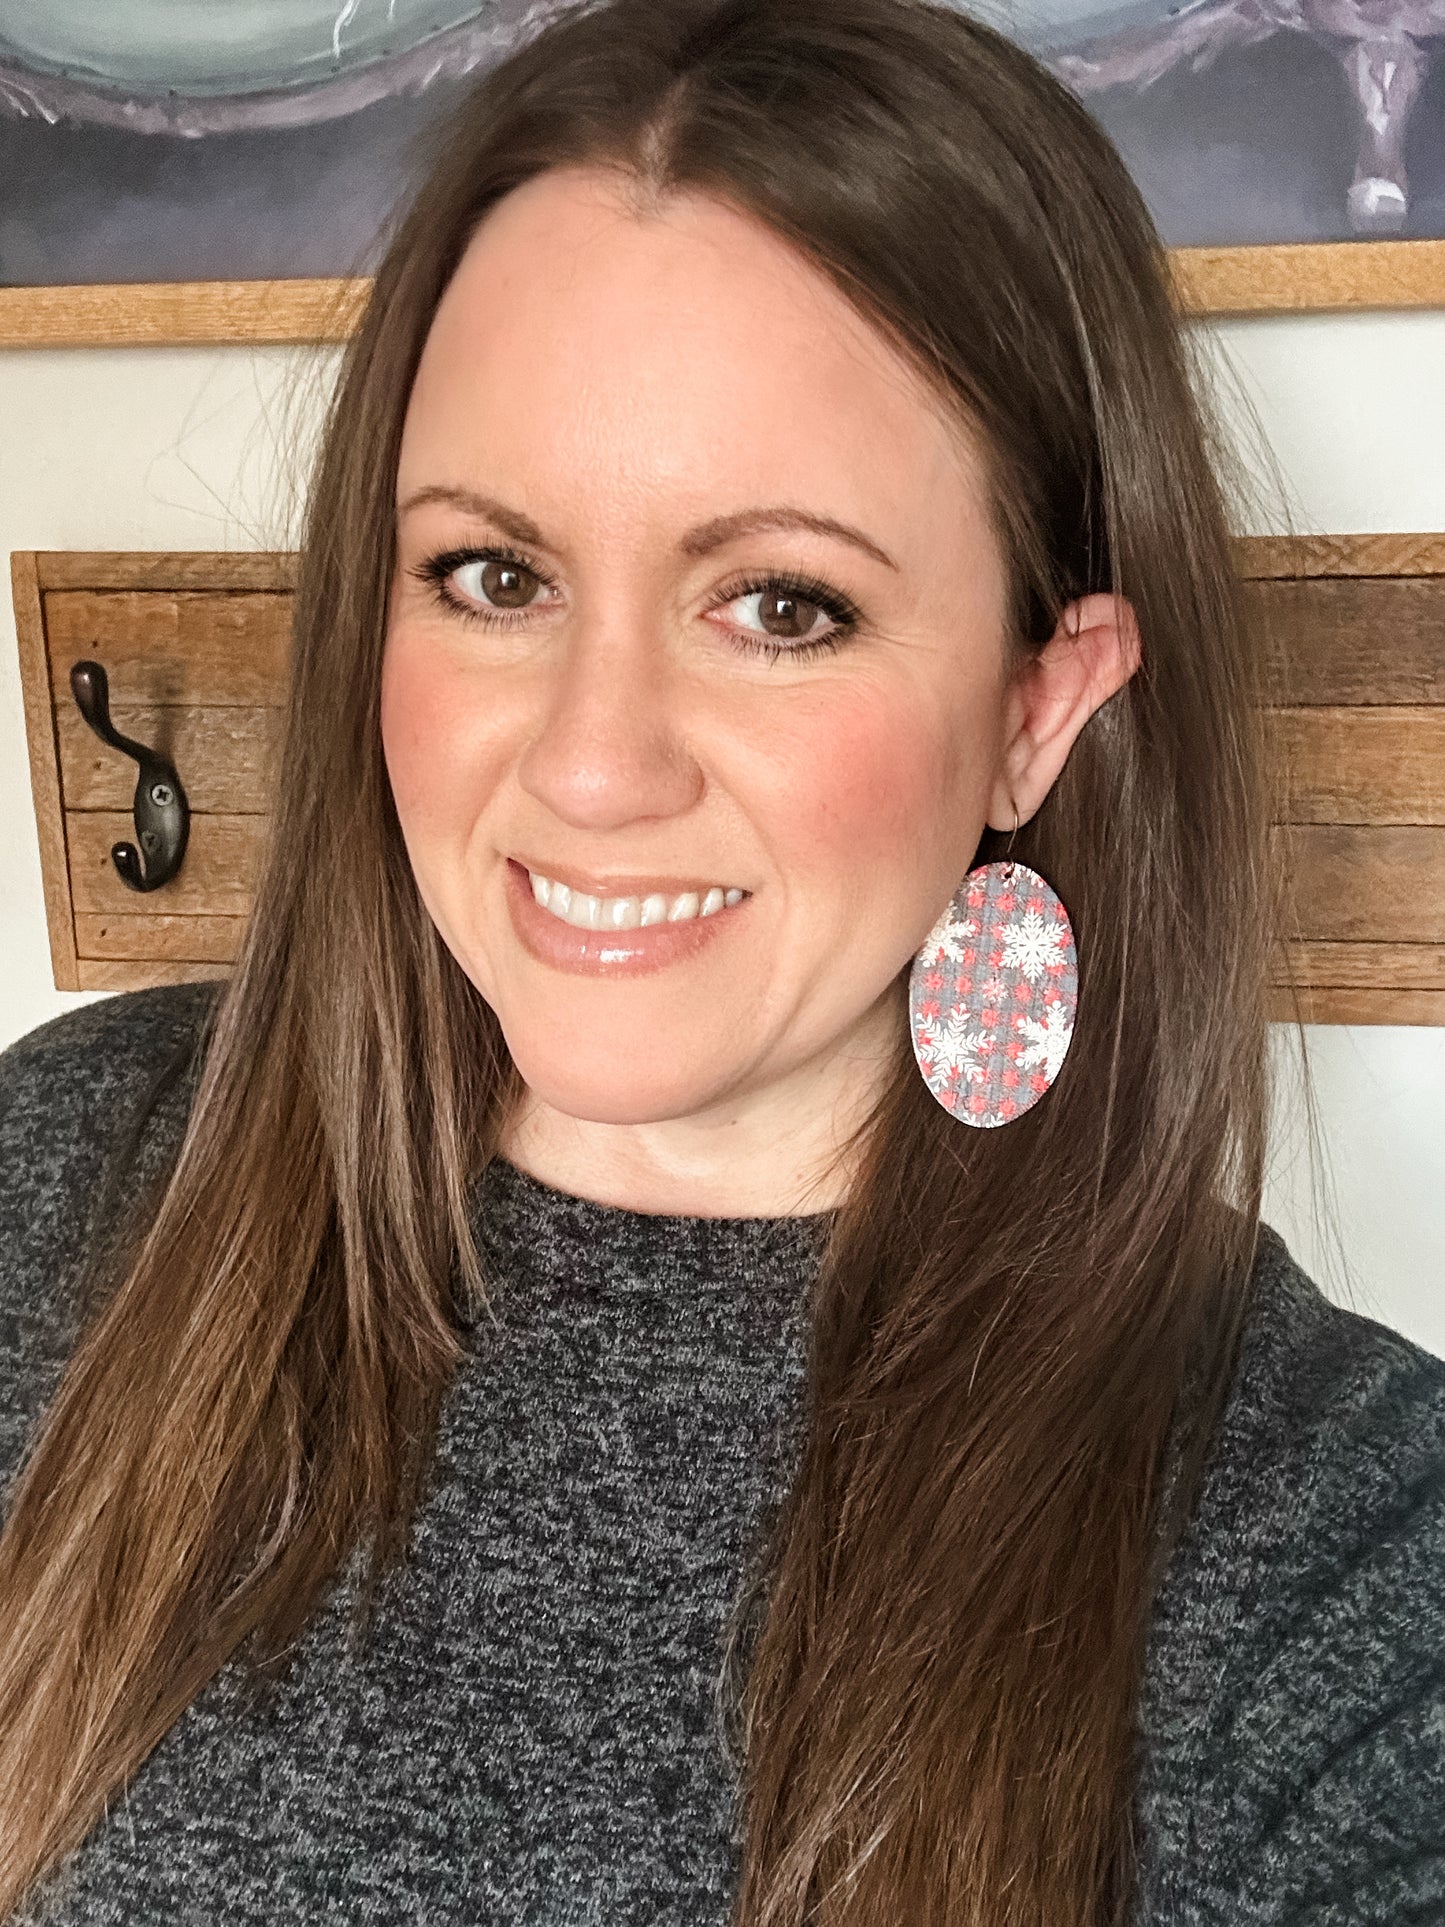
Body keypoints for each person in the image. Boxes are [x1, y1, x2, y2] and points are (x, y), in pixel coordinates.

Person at [0, 0, 1440, 1919]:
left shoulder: (1335, 1549)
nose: (593, 765)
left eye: (781, 605)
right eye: (492, 578)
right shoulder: (64, 1174)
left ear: (1039, 705)